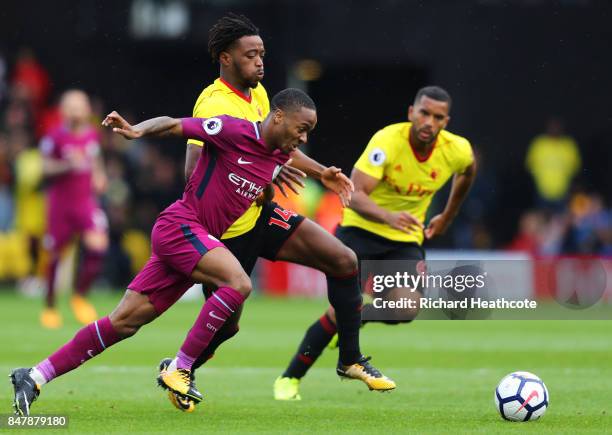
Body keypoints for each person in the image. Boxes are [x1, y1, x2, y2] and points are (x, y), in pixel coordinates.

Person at [10, 88, 391, 417]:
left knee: (124, 321)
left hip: (198, 241)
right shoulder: (233, 129)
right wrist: (136, 130)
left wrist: (318, 174)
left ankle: (34, 376)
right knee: (238, 283)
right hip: (181, 227)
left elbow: (280, 166)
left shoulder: (277, 156)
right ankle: (180, 367)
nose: (304, 138)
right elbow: (177, 125)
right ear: (278, 117)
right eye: (301, 128)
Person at [160, 14, 394, 413]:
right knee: (228, 325)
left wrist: (323, 172)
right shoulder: (214, 102)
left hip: (261, 214)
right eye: (251, 55)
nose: (260, 62)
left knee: (342, 260)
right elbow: (192, 167)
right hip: (227, 229)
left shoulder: (261, 96)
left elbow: (280, 146)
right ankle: (180, 367)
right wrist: (255, 172)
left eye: (262, 54)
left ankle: (350, 359)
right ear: (226, 58)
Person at [274, 86, 477, 400]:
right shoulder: (387, 141)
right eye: (424, 113)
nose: (429, 122)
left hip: (403, 240)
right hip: (359, 233)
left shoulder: (457, 149)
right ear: (412, 112)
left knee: (406, 309)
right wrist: (387, 216)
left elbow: (467, 172)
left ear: (446, 121)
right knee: (336, 312)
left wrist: (448, 216)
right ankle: (289, 380)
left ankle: (354, 318)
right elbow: (352, 193)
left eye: (438, 117)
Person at [39, 90, 108, 329]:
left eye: (81, 106)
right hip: (60, 204)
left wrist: (99, 177)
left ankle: (80, 295)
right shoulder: (55, 137)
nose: (77, 111)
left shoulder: (92, 136)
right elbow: (44, 167)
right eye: (72, 106)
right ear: (64, 110)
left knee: (98, 246)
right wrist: (67, 164)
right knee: (55, 255)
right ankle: (49, 306)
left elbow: (95, 162)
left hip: (85, 202)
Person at [525, 117, 581, 212]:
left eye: (557, 127)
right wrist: (538, 177)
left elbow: (576, 166)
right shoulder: (539, 144)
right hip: (542, 191)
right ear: (547, 128)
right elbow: (529, 164)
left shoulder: (568, 145)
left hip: (563, 192)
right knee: (542, 219)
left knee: (560, 219)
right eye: (552, 127)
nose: (554, 129)